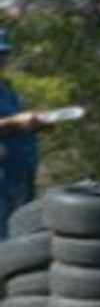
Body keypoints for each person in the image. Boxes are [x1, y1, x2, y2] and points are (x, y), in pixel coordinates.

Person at [0, 30, 48, 240]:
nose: (1, 60)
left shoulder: (5, 90)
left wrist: (36, 124)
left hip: (19, 174)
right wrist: (15, 122)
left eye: (4, 54)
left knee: (20, 239)